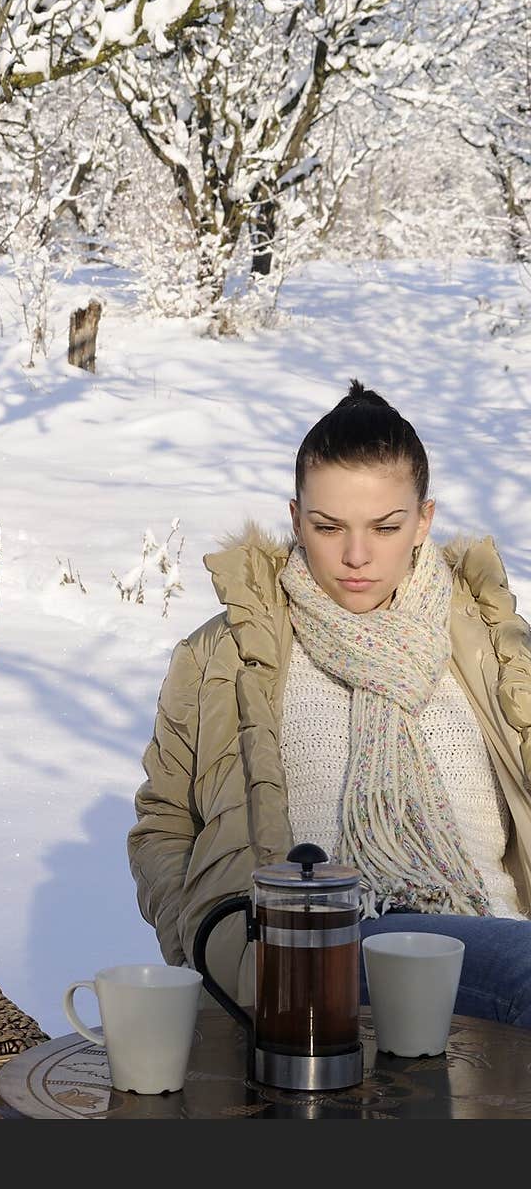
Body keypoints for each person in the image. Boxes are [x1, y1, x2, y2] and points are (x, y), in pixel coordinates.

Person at [127, 379, 531, 1025]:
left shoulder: (490, 644)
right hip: (317, 956)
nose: (356, 556)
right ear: (295, 520)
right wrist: (215, 955)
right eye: (327, 526)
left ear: (423, 521)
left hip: (491, 927)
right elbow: (164, 825)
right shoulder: (223, 656)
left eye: (386, 526)